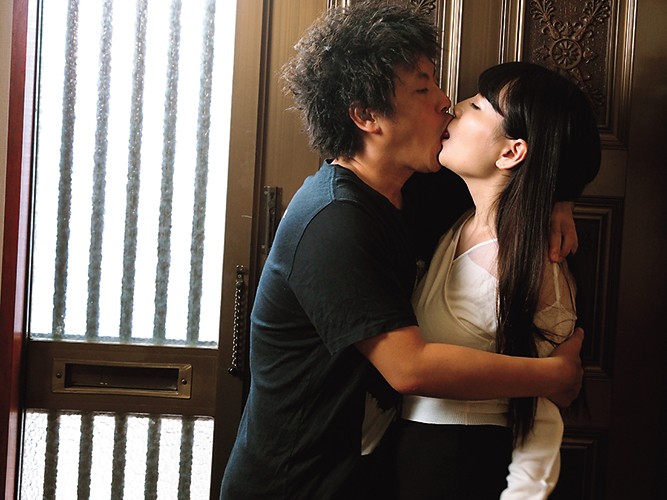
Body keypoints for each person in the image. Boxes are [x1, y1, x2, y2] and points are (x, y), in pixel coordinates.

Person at [220, 2, 584, 498]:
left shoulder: (426, 188)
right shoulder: (333, 221)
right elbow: (408, 367)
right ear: (367, 116)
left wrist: (558, 198)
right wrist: (551, 375)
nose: (447, 101)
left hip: (373, 473)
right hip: (295, 482)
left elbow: (531, 158)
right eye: (423, 88)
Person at [392, 62, 601, 499]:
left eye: (477, 105)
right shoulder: (455, 218)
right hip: (408, 460)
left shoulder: (535, 264)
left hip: (461, 467)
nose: (454, 105)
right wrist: (559, 197)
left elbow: (541, 418)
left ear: (511, 152)